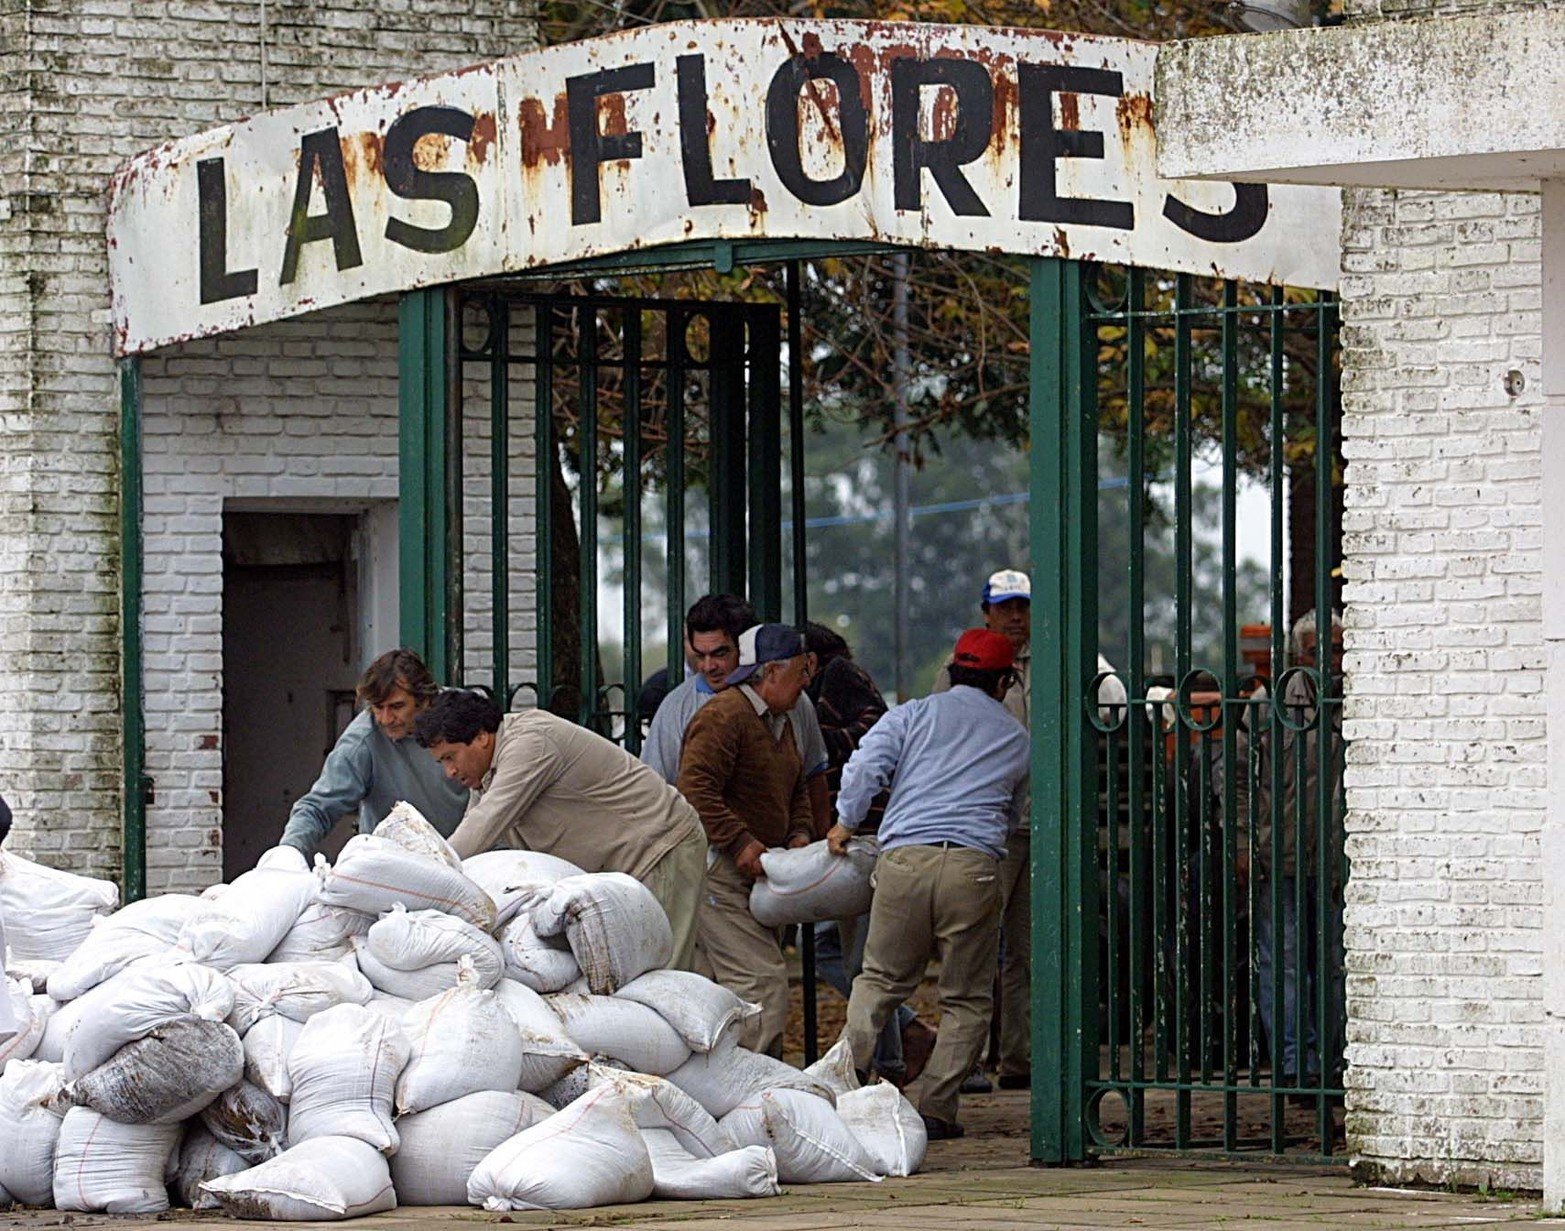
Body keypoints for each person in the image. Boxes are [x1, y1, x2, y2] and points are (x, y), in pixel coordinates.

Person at [829, 628, 1030, 1139]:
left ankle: (843, 1085)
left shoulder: (913, 714)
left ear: (952, 668)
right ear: (1006, 680)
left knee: (878, 981)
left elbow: (864, 768)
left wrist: (845, 822)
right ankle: (937, 1109)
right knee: (965, 998)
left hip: (904, 860)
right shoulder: (1016, 737)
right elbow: (1017, 811)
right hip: (974, 866)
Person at [934, 567, 1126, 1093]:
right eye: (1006, 608)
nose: (1016, 617)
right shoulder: (965, 668)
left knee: (1026, 947)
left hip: (1039, 820)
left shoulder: (1059, 661)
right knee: (972, 946)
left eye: (1023, 607)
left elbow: (1109, 705)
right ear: (987, 613)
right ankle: (966, 1061)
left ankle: (1019, 1056)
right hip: (985, 823)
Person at [415, 691, 708, 970]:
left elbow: (485, 823)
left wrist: (429, 872)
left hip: (658, 849)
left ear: (481, 737)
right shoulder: (487, 772)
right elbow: (475, 830)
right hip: (619, 871)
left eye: (450, 757)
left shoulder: (531, 742)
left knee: (661, 973)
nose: (449, 772)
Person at [801, 622, 935, 1086]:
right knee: (853, 957)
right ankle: (904, 1037)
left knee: (861, 961)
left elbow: (872, 735)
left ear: (811, 661)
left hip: (860, 830)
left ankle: (893, 1058)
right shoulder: (836, 681)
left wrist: (815, 744)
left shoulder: (838, 677)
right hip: (852, 828)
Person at [677, 623, 816, 1056]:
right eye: (799, 671)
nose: (806, 681)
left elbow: (796, 788)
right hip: (720, 873)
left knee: (721, 989)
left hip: (757, 875)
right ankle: (755, 1092)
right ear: (771, 672)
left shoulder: (781, 720)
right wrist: (739, 843)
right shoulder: (724, 716)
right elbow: (694, 790)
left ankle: (726, 1088)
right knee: (763, 984)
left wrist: (799, 832)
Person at [1248, 608, 1346, 1098]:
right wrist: (1245, 841)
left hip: (1338, 860)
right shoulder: (1269, 707)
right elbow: (1241, 781)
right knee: (1283, 962)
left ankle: (1335, 1062)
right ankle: (1293, 1065)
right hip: (1278, 853)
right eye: (1318, 650)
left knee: (1335, 961)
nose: (1331, 660)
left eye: (1338, 649)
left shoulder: (1366, 700)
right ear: (1296, 655)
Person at [642, 594, 832, 836]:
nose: (708, 667)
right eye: (700, 656)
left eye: (720, 654)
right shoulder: (677, 708)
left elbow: (811, 779)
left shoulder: (792, 700)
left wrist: (811, 842)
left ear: (745, 650)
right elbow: (661, 791)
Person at [281, 648, 469, 859]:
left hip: (470, 856)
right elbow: (318, 807)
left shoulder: (463, 713)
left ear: (424, 700)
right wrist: (287, 854)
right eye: (378, 707)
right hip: (394, 865)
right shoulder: (363, 739)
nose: (386, 719)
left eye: (397, 706)